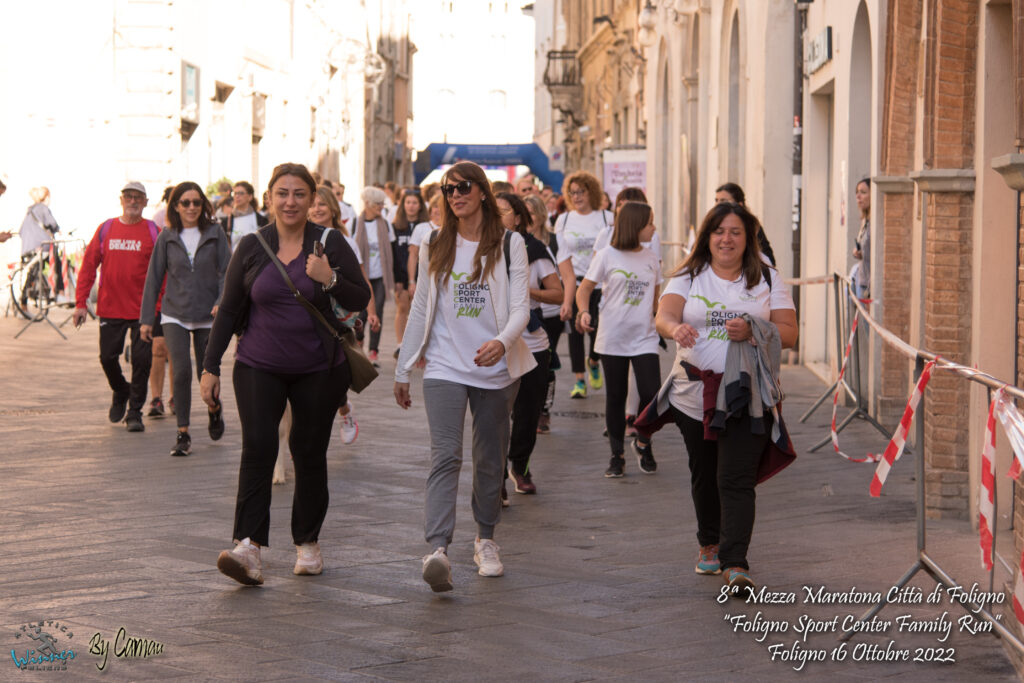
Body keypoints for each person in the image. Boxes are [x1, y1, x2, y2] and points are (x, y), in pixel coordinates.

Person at [200, 163, 370, 585]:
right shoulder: (253, 245)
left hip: (319, 368)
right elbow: (231, 308)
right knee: (258, 449)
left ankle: (307, 543)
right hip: (258, 364)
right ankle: (248, 547)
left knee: (308, 452)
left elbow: (361, 295)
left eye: (299, 194)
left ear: (313, 199)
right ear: (269, 198)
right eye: (282, 193)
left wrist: (328, 278)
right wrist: (209, 366)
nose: (290, 201)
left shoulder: (329, 242)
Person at [394, 161, 535, 592]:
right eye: (448, 189)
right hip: (443, 365)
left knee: (491, 458)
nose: (456, 195)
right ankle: (437, 549)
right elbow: (421, 306)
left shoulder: (509, 244)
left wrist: (503, 342)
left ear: (482, 193)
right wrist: (403, 366)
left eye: (464, 187)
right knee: (446, 455)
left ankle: (486, 539)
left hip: (494, 367)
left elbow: (521, 308)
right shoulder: (437, 240)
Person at [654, 201, 797, 596]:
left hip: (746, 395)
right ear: (707, 237)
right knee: (704, 472)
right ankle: (709, 542)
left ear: (747, 238)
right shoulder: (689, 275)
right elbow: (663, 316)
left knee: (734, 478)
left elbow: (789, 332)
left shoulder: (766, 276)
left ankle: (736, 563)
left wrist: (754, 327)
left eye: (735, 231)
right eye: (719, 231)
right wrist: (676, 328)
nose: (727, 239)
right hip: (693, 395)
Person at [139, 182, 231, 456]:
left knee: (208, 374)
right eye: (185, 202)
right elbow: (153, 279)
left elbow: (228, 271)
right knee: (181, 371)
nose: (191, 207)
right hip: (174, 314)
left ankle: (214, 409)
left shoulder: (215, 233)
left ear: (202, 205)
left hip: (207, 315)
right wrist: (146, 319)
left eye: (196, 202)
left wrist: (220, 302)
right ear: (176, 206)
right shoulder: (167, 236)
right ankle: (183, 433)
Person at [576, 202, 663, 477]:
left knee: (652, 395)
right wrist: (583, 311)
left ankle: (643, 441)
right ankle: (617, 455)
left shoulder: (651, 257)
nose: (654, 227)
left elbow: (656, 298)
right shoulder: (606, 255)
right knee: (616, 397)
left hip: (644, 337)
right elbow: (585, 288)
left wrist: (663, 322)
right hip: (613, 336)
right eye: (650, 222)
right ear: (636, 225)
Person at [73, 182, 161, 432]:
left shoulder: (154, 231)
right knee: (107, 357)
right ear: (121, 200)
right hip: (111, 308)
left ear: (145, 202)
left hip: (144, 311)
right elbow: (89, 266)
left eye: (138, 198)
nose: (133, 201)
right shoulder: (106, 229)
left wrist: (158, 305)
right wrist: (81, 303)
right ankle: (121, 390)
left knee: (143, 362)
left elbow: (163, 271)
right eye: (129, 197)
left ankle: (135, 412)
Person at [496, 192, 562, 497]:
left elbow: (558, 294)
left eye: (503, 212)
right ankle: (495, 479)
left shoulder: (534, 249)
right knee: (493, 413)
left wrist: (528, 292)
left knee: (528, 412)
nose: (496, 217)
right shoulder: (479, 249)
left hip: (532, 340)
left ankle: (519, 466)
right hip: (493, 342)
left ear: (519, 218)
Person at [309, 184, 372, 444]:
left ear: (333, 208)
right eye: (312, 204)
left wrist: (372, 313)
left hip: (337, 317)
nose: (316, 209)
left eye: (321, 204)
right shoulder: (299, 237)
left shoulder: (343, 241)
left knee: (334, 378)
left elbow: (361, 283)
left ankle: (344, 411)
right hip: (308, 314)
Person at [555, 170, 613, 399]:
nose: (577, 197)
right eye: (572, 193)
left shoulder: (606, 217)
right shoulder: (564, 219)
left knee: (598, 329)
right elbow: (560, 253)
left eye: (581, 192)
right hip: (574, 282)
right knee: (575, 333)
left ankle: (594, 360)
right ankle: (579, 379)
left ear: (592, 192)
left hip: (601, 284)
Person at [523, 193, 566, 435]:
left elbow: (566, 275)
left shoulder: (553, 242)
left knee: (547, 362)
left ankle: (544, 410)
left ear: (540, 216)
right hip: (528, 313)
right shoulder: (514, 241)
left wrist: (568, 302)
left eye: (531, 213)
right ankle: (524, 405)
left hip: (551, 312)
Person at [352, 186, 398, 364]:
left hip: (379, 276)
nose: (381, 207)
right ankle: (359, 337)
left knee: (377, 311)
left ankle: (373, 350)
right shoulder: (355, 223)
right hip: (361, 276)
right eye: (377, 204)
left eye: (382, 203)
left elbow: (393, 250)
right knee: (362, 314)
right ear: (367, 204)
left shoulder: (385, 223)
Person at [392, 189, 428, 359]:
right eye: (408, 202)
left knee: (420, 311)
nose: (411, 206)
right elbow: (394, 254)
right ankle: (401, 344)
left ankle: (419, 344)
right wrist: (397, 279)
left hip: (422, 275)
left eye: (414, 203)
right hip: (402, 275)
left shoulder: (425, 226)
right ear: (403, 205)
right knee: (403, 307)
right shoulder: (396, 227)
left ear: (420, 205)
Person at [713, 182, 776, 266]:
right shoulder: (711, 225)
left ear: (739, 205)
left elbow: (770, 261)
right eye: (716, 200)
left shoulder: (753, 227)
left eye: (723, 201)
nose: (718, 205)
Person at [18, 186, 64, 297]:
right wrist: (59, 230)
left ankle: (23, 302)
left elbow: (21, 231)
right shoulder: (43, 208)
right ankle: (61, 293)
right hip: (42, 246)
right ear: (47, 197)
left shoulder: (30, 212)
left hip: (27, 247)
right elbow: (53, 224)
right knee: (58, 263)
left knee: (33, 272)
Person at [221, 181, 269, 251]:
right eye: (235, 193)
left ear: (250, 197)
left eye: (241, 193)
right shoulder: (226, 222)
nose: (237, 196)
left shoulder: (261, 220)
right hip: (235, 261)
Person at [852, 178, 871, 299]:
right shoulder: (864, 221)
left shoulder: (875, 223)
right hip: (862, 280)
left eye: (863, 192)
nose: (858, 196)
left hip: (869, 284)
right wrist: (857, 252)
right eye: (857, 192)